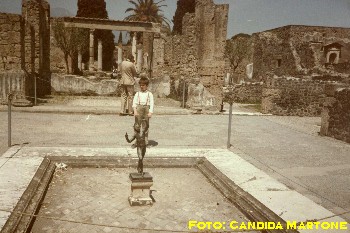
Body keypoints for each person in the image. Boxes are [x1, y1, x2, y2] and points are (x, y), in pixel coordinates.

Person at [132, 74, 154, 145]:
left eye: (143, 85)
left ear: (147, 86)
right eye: (140, 85)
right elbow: (134, 103)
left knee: (145, 126)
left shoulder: (149, 94)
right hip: (139, 109)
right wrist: (135, 111)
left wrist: (150, 112)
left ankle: (145, 141)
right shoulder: (137, 93)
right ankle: (137, 140)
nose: (142, 87)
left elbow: (152, 104)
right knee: (137, 125)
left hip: (146, 109)